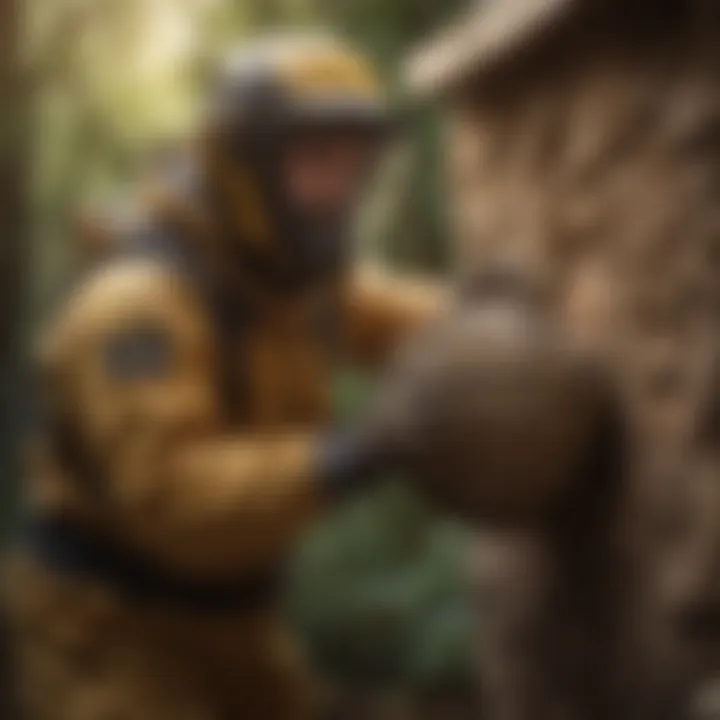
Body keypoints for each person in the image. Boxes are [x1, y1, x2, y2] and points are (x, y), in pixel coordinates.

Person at [5, 34, 444, 720]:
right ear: (244, 168)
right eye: (316, 162)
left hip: (238, 621)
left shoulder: (284, 278)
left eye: (353, 167)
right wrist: (353, 454)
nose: (339, 192)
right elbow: (173, 501)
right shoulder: (138, 306)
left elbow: (405, 318)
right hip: (110, 629)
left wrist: (494, 314)